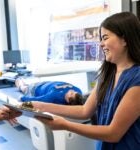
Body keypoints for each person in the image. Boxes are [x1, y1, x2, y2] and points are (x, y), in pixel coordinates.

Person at [27, 12, 140, 150]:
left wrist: (65, 125)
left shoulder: (136, 79)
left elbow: (113, 133)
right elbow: (85, 110)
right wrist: (40, 105)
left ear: (124, 39)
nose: (101, 44)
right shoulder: (107, 75)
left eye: (105, 38)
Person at [15, 79, 84, 105]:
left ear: (68, 100)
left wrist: (22, 99)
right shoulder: (78, 91)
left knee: (22, 86)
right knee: (27, 83)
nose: (72, 90)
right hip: (46, 83)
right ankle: (24, 83)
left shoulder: (53, 97)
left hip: (34, 89)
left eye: (71, 93)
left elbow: (37, 100)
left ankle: (21, 86)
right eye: (74, 92)